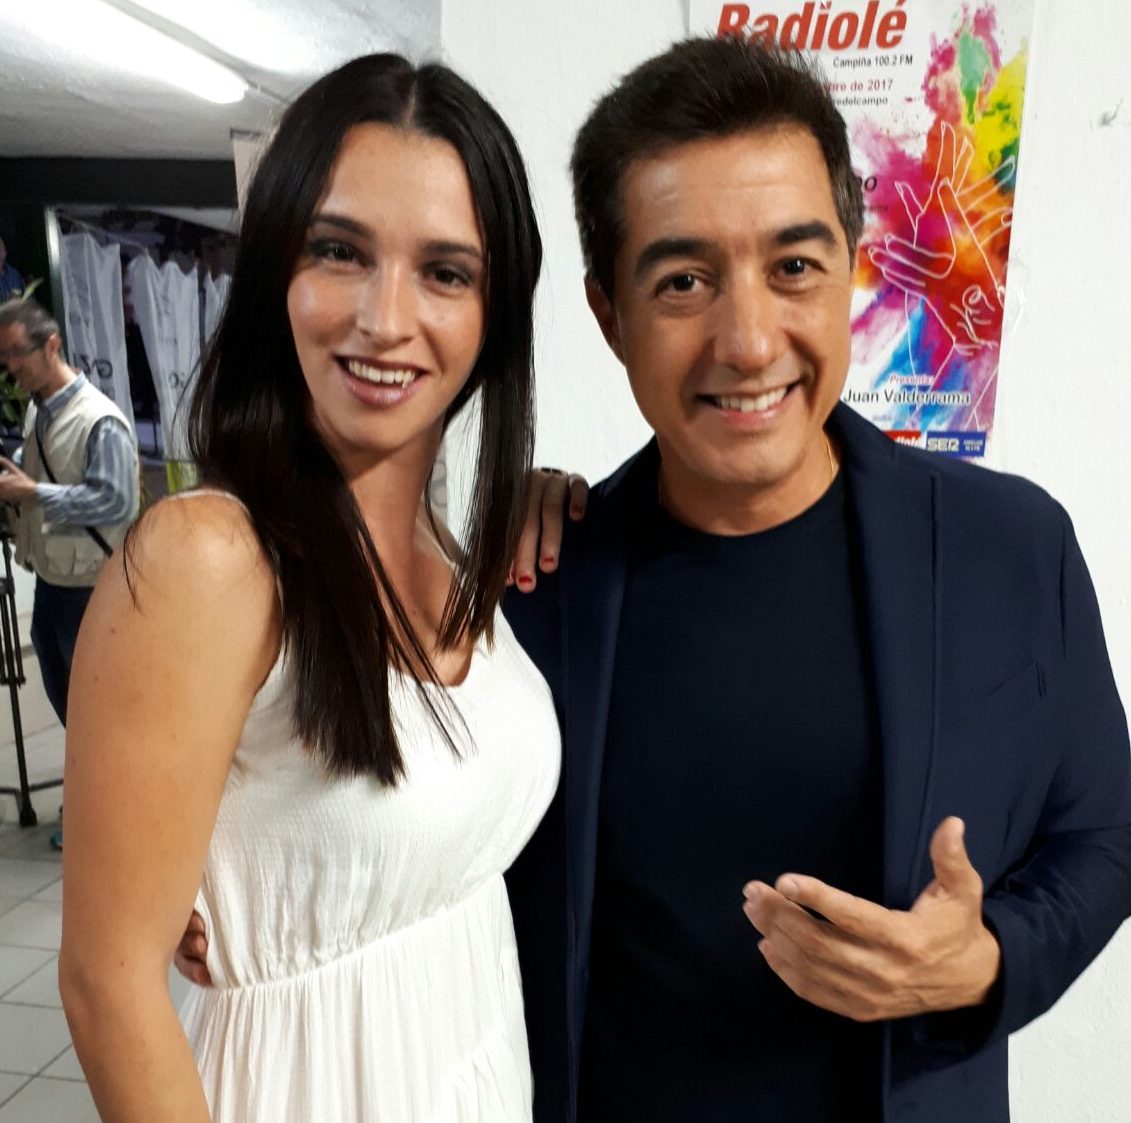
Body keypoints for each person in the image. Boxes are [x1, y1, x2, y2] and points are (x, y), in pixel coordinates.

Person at [499, 38, 1131, 1123]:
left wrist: (986, 957)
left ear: (851, 269)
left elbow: (1105, 834)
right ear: (609, 315)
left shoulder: (1009, 545)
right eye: (684, 281)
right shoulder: (535, 582)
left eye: (793, 266)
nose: (749, 342)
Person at [59, 53, 558, 1123]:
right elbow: (107, 987)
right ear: (275, 269)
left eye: (445, 271)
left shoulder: (451, 542)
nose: (384, 318)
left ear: (496, 309)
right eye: (339, 251)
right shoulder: (212, 559)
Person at [0, 298, 139, 735]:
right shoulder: (37, 409)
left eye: (17, 352)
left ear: (51, 345)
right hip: (51, 581)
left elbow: (117, 500)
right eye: (4, 356)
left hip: (90, 590)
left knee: (103, 714)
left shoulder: (99, 420)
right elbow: (48, 464)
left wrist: (34, 492)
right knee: (71, 710)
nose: (10, 367)